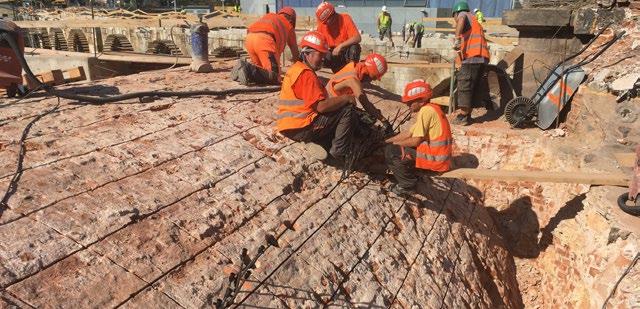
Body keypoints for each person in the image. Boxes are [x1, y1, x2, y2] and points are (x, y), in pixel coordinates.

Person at [276, 31, 360, 162]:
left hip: (289, 126)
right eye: (320, 55)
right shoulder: (306, 74)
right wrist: (346, 98)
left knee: (333, 118)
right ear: (307, 54)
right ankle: (338, 153)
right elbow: (321, 107)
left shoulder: (296, 69)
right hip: (300, 127)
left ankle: (320, 144)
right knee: (347, 110)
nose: (323, 59)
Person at [385, 79, 453, 195]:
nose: (407, 105)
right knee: (394, 147)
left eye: (410, 102)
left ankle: (407, 185)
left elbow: (415, 141)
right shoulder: (431, 108)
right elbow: (409, 133)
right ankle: (409, 171)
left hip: (436, 160)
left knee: (392, 151)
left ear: (421, 101)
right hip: (440, 157)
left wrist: (393, 145)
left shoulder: (425, 111)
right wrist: (387, 140)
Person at [231, 7, 299, 85]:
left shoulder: (271, 17)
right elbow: (294, 50)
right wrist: (299, 68)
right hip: (265, 41)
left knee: (261, 71)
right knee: (275, 77)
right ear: (291, 20)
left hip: (250, 39)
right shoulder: (288, 25)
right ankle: (247, 69)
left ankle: (242, 70)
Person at [325, 53, 391, 125]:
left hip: (333, 105)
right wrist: (383, 120)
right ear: (368, 73)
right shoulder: (353, 78)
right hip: (328, 111)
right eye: (373, 78)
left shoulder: (353, 67)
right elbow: (365, 102)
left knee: (363, 114)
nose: (370, 81)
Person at [451, 1, 490, 126]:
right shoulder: (474, 21)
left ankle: (463, 116)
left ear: (457, 12)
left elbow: (461, 19)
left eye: (454, 17)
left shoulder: (464, 14)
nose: (455, 20)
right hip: (481, 58)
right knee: (473, 88)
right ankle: (467, 116)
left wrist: (456, 39)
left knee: (464, 84)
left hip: (472, 58)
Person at [315, 1, 362, 73]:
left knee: (355, 47)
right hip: (332, 53)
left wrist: (340, 46)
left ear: (333, 15)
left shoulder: (345, 18)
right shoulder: (322, 25)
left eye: (327, 21)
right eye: (324, 22)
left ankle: (351, 71)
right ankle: (337, 71)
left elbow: (358, 38)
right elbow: (317, 45)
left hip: (346, 51)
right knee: (321, 56)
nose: (326, 23)